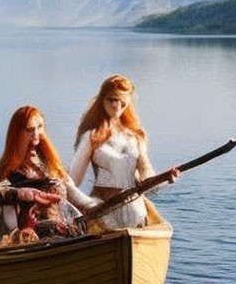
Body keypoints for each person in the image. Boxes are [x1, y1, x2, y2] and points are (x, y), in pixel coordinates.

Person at [70, 75, 177, 230]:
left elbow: (146, 175)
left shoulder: (137, 136)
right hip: (103, 210)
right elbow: (74, 180)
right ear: (102, 100)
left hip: (134, 208)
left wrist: (165, 179)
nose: (117, 106)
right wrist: (85, 205)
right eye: (112, 100)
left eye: (122, 102)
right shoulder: (92, 136)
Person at [0, 105, 99, 238]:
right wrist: (22, 194)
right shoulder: (7, 172)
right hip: (30, 238)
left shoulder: (52, 167)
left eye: (40, 127)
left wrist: (98, 205)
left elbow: (75, 195)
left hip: (62, 234)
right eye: (30, 130)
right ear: (16, 135)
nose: (36, 135)